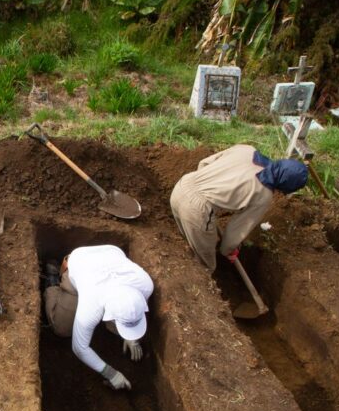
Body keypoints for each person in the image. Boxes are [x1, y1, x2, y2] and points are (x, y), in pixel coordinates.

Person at [170, 144, 307, 274]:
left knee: (191, 240)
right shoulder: (263, 195)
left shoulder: (246, 150)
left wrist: (208, 189)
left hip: (182, 185)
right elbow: (235, 230)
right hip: (195, 210)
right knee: (206, 266)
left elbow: (204, 163)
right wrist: (227, 250)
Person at [42, 245, 153, 390]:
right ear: (107, 312)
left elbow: (132, 309)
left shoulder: (145, 286)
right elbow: (79, 348)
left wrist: (131, 337)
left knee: (120, 324)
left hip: (110, 253)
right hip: (79, 263)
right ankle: (53, 282)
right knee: (62, 328)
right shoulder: (91, 304)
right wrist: (111, 373)